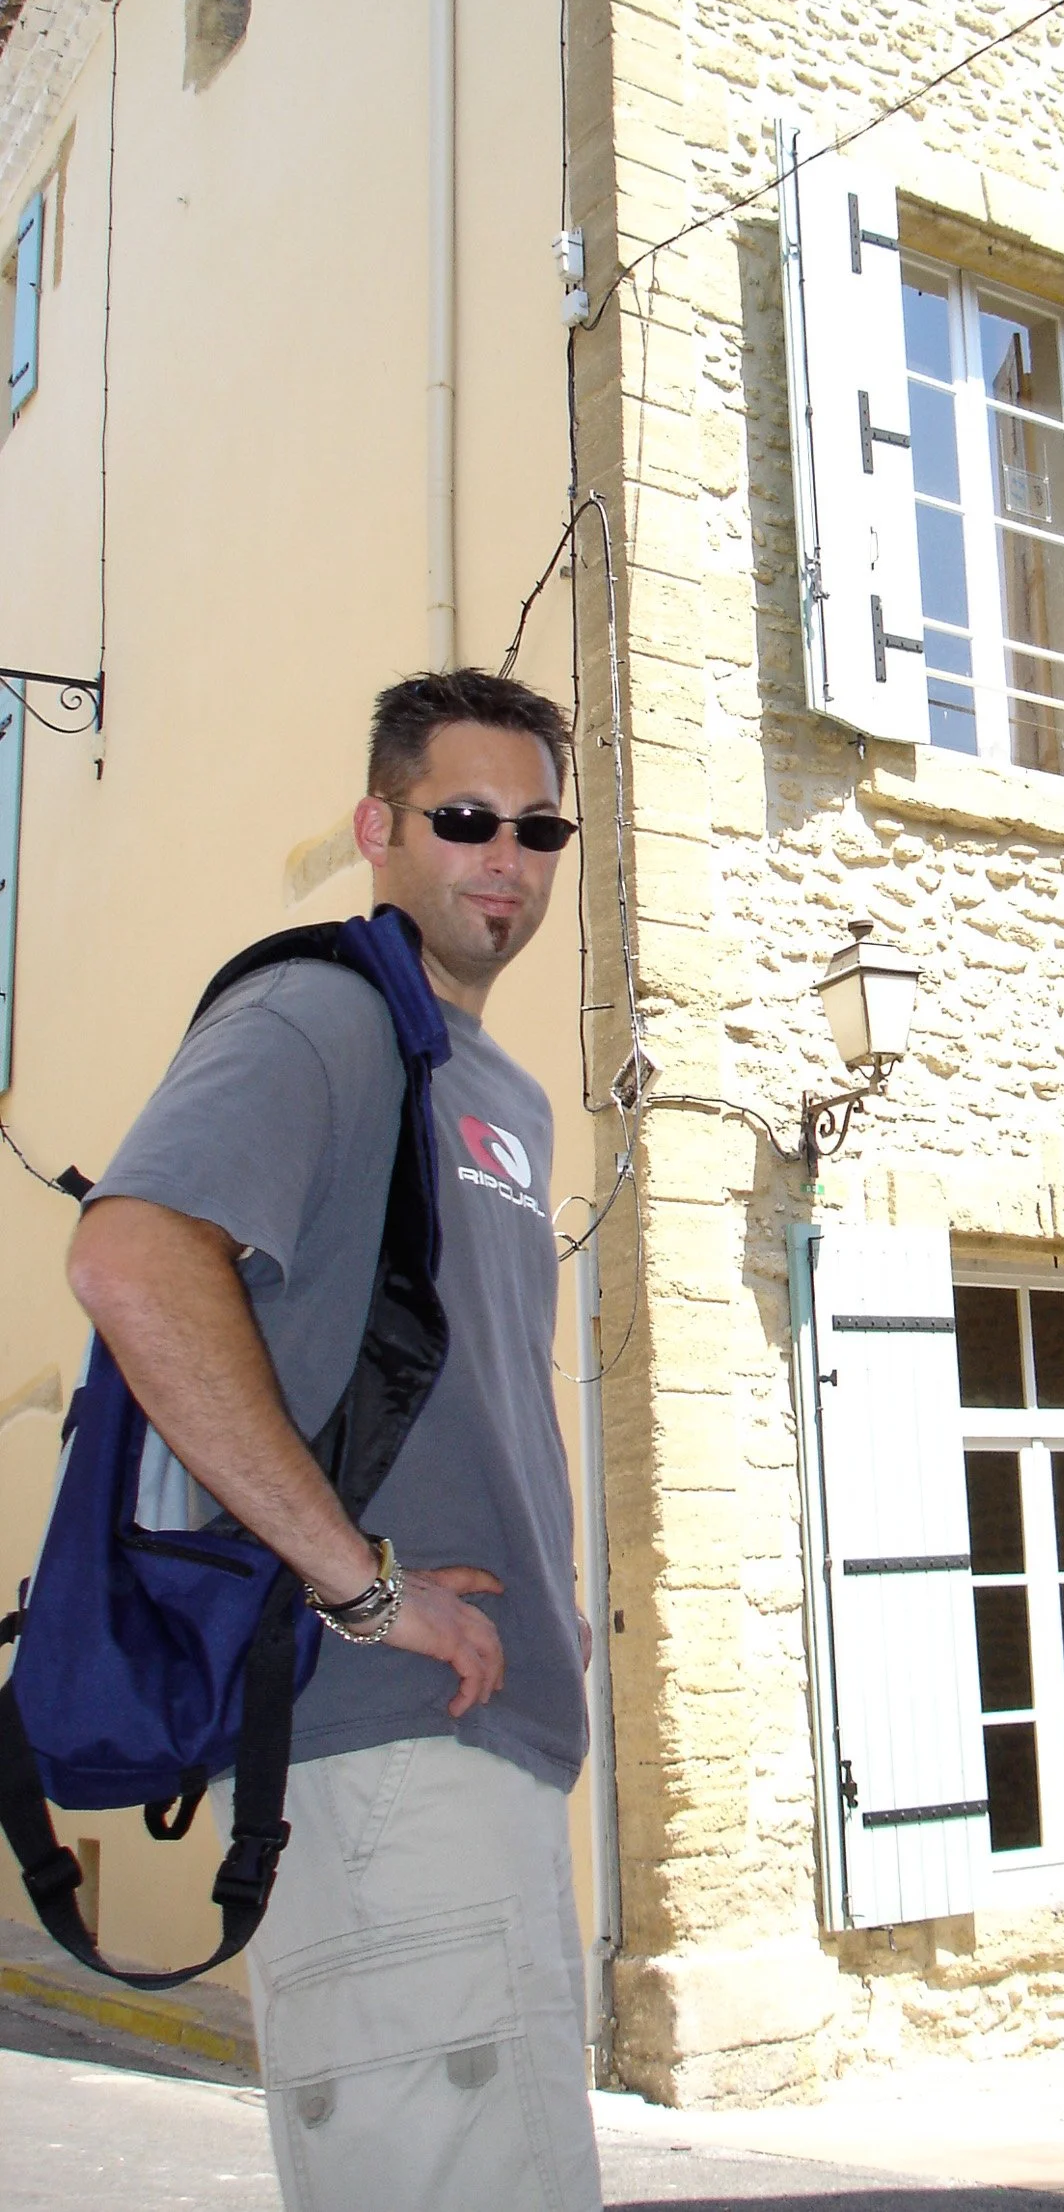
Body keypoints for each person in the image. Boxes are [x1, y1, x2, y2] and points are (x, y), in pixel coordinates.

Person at [66, 669, 604, 2212]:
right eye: (463, 818)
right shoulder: (321, 1012)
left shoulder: (487, 1081)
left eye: (537, 825)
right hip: (374, 1746)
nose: (505, 856)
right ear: (380, 827)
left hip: (481, 1750)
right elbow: (131, 1259)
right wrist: (361, 1586)